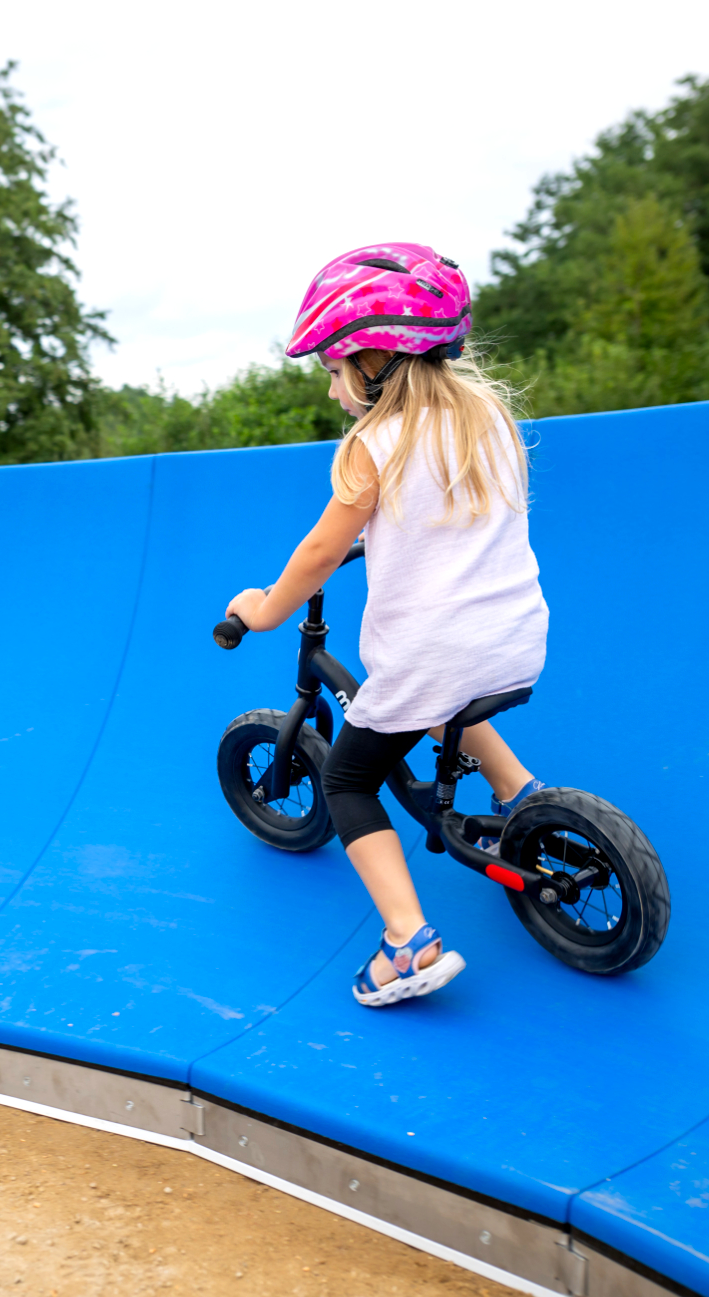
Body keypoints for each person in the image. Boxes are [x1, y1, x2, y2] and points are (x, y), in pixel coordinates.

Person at [222, 243, 549, 1008]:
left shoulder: (372, 445)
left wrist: (265, 608)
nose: (335, 391)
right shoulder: (487, 418)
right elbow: (446, 514)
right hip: (514, 637)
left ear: (374, 361)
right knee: (440, 697)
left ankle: (407, 942)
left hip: (434, 652)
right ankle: (519, 795)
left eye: (335, 371)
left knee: (347, 776)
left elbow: (318, 551)